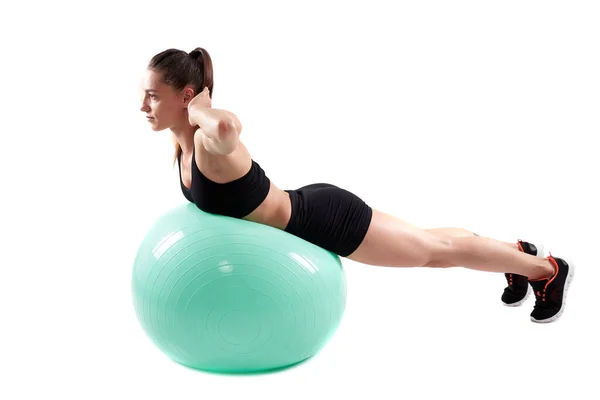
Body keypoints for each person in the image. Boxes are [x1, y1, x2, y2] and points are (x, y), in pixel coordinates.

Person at [139, 47, 575, 323]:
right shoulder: (181, 149)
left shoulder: (207, 142)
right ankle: (514, 255)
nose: (142, 105)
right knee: (430, 243)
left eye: (154, 95)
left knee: (434, 255)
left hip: (324, 221)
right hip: (307, 209)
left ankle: (547, 270)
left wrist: (200, 110)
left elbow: (230, 127)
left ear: (186, 96)